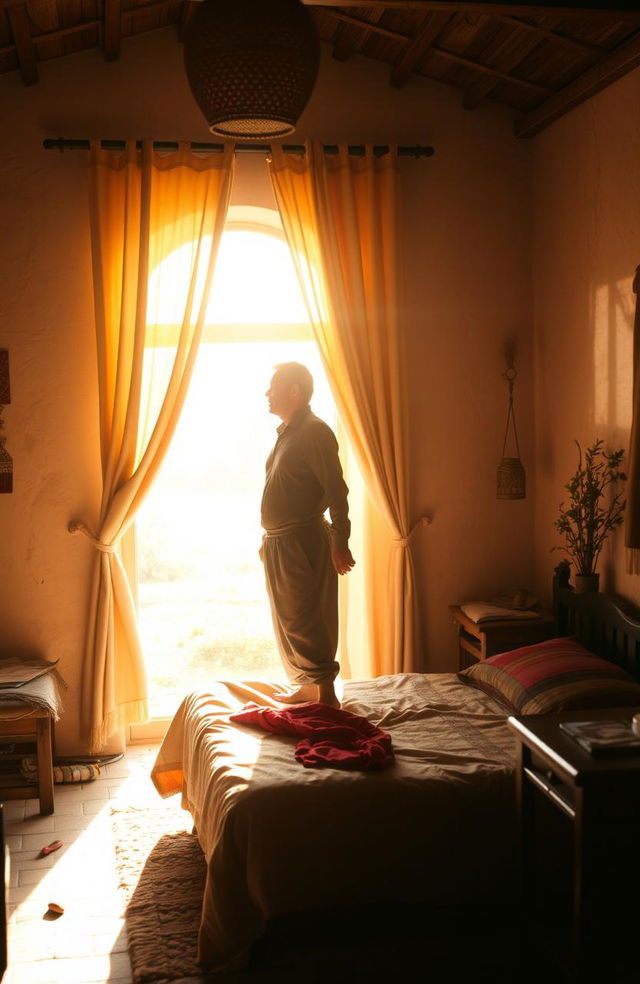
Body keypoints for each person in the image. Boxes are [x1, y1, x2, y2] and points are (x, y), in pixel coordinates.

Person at [260, 362, 355, 708]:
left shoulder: (314, 432)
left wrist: (340, 540)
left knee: (308, 618)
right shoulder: (288, 433)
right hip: (280, 543)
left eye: (273, 387)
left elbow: (336, 490)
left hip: (303, 542)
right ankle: (308, 686)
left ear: (294, 391)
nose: (266, 394)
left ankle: (327, 696)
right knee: (287, 620)